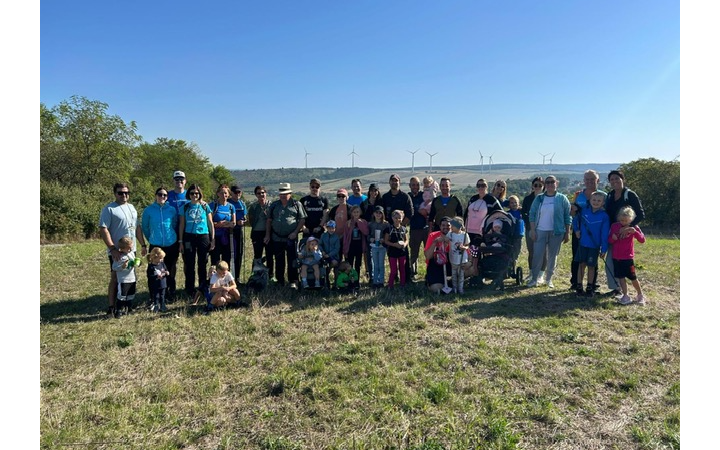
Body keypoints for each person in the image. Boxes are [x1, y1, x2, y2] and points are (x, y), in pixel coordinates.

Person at [99, 182, 145, 317]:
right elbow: (103, 229)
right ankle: (111, 307)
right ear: (115, 194)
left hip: (131, 250)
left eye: (126, 193)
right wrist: (112, 248)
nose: (123, 195)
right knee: (115, 277)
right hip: (118, 251)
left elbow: (137, 228)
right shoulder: (109, 209)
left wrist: (143, 244)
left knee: (129, 277)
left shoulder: (132, 208)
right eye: (120, 192)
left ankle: (126, 305)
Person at [604, 169, 646, 297]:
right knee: (611, 261)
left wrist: (628, 227)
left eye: (617, 178)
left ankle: (633, 291)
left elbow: (640, 214)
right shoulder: (610, 195)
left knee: (625, 262)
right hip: (614, 232)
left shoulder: (630, 194)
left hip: (627, 233)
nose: (615, 181)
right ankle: (616, 289)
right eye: (612, 179)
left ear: (623, 179)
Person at [527, 175, 572, 288]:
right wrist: (532, 230)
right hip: (540, 230)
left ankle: (549, 279)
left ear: (556, 183)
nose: (550, 184)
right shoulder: (539, 198)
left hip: (556, 232)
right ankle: (534, 279)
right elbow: (532, 214)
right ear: (545, 185)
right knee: (537, 255)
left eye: (552, 182)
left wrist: (567, 232)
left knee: (553, 256)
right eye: (548, 182)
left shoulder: (562, 198)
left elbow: (567, 216)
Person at [140, 186, 180, 303]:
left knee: (170, 269)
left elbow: (174, 224)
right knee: (154, 271)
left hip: (171, 244)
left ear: (167, 197)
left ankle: (170, 292)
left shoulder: (171, 210)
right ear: (155, 196)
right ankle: (154, 295)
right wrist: (151, 238)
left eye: (164, 195)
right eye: (160, 194)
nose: (162, 197)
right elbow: (145, 227)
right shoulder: (148, 210)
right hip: (156, 245)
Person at [264, 182, 307, 289]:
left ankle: (293, 281)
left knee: (292, 260)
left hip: (291, 237)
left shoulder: (297, 204)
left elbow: (302, 219)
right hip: (277, 237)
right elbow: (269, 220)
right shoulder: (274, 205)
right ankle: (280, 280)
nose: (283, 196)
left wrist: (295, 232)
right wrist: (267, 235)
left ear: (290, 193)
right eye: (281, 194)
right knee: (279, 260)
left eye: (285, 193)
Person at [178, 183, 215, 298]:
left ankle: (202, 288)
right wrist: (180, 241)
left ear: (200, 194)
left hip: (203, 236)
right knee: (189, 264)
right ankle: (190, 289)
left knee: (202, 263)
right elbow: (181, 225)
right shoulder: (185, 207)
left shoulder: (205, 206)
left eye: (197, 193)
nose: (194, 195)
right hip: (189, 236)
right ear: (189, 194)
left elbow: (210, 223)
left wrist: (212, 239)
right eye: (192, 193)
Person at [573, 191, 610, 298]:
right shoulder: (584, 211)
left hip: (594, 245)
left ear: (603, 203)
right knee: (581, 265)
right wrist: (576, 230)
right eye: (594, 200)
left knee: (591, 266)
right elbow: (575, 220)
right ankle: (579, 286)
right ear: (590, 200)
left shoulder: (604, 216)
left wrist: (604, 248)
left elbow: (604, 233)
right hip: (583, 243)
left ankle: (590, 287)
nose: (596, 202)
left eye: (599, 201)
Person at [569, 170, 601, 291]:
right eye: (587, 179)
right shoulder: (578, 195)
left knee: (593, 259)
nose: (589, 182)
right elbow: (573, 213)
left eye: (592, 179)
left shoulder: (603, 195)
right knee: (577, 257)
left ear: (597, 180)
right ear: (584, 181)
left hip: (594, 234)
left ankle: (592, 283)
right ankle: (575, 282)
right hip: (579, 233)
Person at [464, 178, 503, 276]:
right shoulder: (473, 198)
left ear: (487, 187)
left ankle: (479, 272)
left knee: (479, 251)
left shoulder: (491, 200)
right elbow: (466, 213)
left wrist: (491, 227)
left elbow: (500, 213)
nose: (481, 187)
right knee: (471, 251)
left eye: (483, 185)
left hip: (482, 231)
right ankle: (471, 272)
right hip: (469, 230)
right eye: (479, 185)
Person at [609, 206, 647, 305]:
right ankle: (625, 295)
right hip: (616, 257)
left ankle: (640, 294)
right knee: (621, 277)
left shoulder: (634, 227)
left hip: (627, 257)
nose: (623, 222)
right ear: (618, 218)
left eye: (626, 220)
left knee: (633, 277)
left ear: (631, 219)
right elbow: (610, 240)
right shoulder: (615, 226)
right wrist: (613, 237)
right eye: (621, 220)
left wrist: (636, 232)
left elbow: (642, 240)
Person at [522, 177, 547, 281]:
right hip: (530, 228)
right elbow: (523, 213)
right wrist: (530, 224)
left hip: (544, 228)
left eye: (540, 185)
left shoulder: (547, 198)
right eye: (535, 185)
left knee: (543, 252)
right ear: (532, 186)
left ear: (543, 187)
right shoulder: (528, 199)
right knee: (531, 251)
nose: (537, 187)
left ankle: (540, 275)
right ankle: (532, 273)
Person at [247, 185, 274, 282]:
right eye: (259, 193)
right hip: (256, 233)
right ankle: (256, 275)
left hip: (269, 233)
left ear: (266, 193)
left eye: (263, 192)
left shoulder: (271, 205)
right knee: (257, 255)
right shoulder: (253, 207)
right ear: (256, 195)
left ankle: (270, 276)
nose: (261, 195)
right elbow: (250, 220)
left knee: (269, 254)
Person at [423, 216, 453, 294]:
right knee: (437, 289)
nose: (446, 227)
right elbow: (428, 256)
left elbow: (461, 225)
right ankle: (432, 282)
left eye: (448, 225)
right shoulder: (432, 235)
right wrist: (434, 243)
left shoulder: (455, 236)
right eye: (443, 225)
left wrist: (449, 243)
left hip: (450, 263)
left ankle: (450, 282)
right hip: (435, 264)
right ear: (440, 226)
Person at [209, 184, 236, 267]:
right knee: (215, 261)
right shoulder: (212, 206)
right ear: (217, 194)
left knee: (226, 261)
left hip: (227, 238)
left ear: (228, 195)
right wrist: (218, 224)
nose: (223, 195)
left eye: (225, 193)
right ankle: (214, 279)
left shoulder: (231, 207)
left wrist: (224, 225)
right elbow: (208, 223)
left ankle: (226, 279)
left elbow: (233, 223)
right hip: (215, 238)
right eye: (221, 193)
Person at [360, 183, 384, 279]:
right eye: (372, 190)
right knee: (370, 254)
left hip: (380, 230)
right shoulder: (364, 204)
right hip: (368, 232)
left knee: (380, 254)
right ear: (369, 192)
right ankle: (372, 276)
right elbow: (361, 218)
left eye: (375, 190)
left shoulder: (381, 202)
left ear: (378, 192)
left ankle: (380, 276)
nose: (374, 192)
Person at [111, 236, 139, 316]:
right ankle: (119, 309)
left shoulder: (131, 254)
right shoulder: (119, 256)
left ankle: (129, 308)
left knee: (131, 294)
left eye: (131, 248)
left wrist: (138, 263)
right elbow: (114, 267)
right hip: (123, 280)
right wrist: (122, 266)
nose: (130, 250)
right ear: (122, 248)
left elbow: (134, 261)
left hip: (132, 278)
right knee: (122, 295)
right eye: (128, 248)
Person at [407, 177, 427, 279]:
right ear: (409, 186)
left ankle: (430, 272)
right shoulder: (407, 197)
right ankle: (413, 272)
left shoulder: (424, 195)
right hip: (414, 229)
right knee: (414, 252)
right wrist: (418, 210)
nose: (415, 187)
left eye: (417, 184)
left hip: (426, 228)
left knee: (428, 252)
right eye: (413, 185)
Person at [384, 210, 408, 288]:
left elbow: (406, 239)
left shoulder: (404, 229)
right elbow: (386, 241)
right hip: (392, 252)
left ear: (402, 218)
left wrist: (404, 244)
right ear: (392, 218)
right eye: (396, 218)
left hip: (402, 252)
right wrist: (394, 245)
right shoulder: (389, 228)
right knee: (394, 270)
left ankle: (402, 284)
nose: (397, 220)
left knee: (402, 269)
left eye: (399, 218)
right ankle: (390, 285)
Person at [228, 185, 248, 281]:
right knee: (229, 254)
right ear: (231, 193)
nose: (237, 194)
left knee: (238, 253)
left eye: (239, 192)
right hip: (228, 232)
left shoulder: (242, 204)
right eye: (235, 192)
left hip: (239, 231)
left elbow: (245, 217)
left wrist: (243, 221)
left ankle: (237, 277)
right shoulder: (228, 203)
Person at [343, 205, 369, 278]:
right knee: (350, 264)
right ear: (351, 213)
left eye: (357, 212)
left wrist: (359, 223)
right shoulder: (348, 223)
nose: (356, 214)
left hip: (359, 246)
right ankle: (350, 281)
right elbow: (345, 236)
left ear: (360, 213)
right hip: (350, 246)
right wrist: (345, 249)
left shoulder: (363, 222)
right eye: (354, 212)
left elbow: (366, 232)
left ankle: (356, 281)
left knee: (358, 264)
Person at [368, 206, 390, 287]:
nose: (378, 214)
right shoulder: (370, 224)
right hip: (373, 246)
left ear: (382, 214)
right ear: (373, 214)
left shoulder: (386, 224)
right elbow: (368, 235)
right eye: (376, 212)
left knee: (381, 264)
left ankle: (381, 281)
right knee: (375, 264)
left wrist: (384, 239)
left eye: (380, 213)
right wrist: (370, 238)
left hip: (382, 247)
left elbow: (389, 235)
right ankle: (375, 281)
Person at [448, 217, 470, 294]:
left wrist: (464, 247)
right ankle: (454, 288)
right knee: (454, 274)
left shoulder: (465, 235)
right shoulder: (450, 234)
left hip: (462, 258)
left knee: (461, 274)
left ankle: (460, 288)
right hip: (453, 258)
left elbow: (467, 245)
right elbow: (446, 240)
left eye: (453, 226)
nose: (451, 227)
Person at [146, 247, 170, 312]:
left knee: (162, 295)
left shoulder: (162, 264)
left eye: (162, 258)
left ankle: (163, 305)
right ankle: (156, 306)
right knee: (156, 296)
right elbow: (149, 276)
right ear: (154, 257)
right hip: (155, 285)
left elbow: (166, 270)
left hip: (163, 283)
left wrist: (166, 272)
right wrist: (156, 276)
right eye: (160, 258)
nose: (162, 260)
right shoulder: (151, 266)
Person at [328, 188, 351, 252]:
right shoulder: (334, 209)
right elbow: (330, 221)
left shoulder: (350, 209)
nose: (341, 198)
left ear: (347, 197)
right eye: (339, 196)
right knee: (338, 254)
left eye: (343, 196)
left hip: (347, 236)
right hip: (336, 236)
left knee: (347, 255)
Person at [319, 220, 341, 285]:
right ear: (327, 228)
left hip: (333, 256)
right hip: (324, 254)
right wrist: (322, 251)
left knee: (335, 263)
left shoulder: (336, 237)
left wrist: (329, 255)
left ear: (335, 228)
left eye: (332, 228)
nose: (331, 230)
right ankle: (325, 282)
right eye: (329, 228)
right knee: (321, 264)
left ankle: (335, 282)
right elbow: (320, 244)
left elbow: (336, 249)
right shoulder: (323, 235)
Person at [506, 195, 525, 268]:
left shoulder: (521, 212)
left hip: (518, 235)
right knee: (509, 251)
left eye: (515, 202)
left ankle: (514, 262)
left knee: (517, 250)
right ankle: (509, 264)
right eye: (512, 203)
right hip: (510, 235)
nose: (514, 204)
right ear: (509, 204)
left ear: (518, 203)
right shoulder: (507, 214)